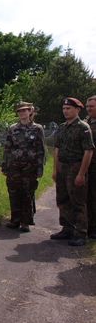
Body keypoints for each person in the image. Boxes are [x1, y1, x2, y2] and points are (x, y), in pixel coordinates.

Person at [51, 97, 94, 246]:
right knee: (62, 199)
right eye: (64, 108)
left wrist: (82, 173)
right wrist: (55, 169)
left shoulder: (83, 127)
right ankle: (67, 228)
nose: (65, 111)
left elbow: (88, 151)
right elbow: (56, 149)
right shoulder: (62, 127)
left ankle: (81, 233)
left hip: (76, 167)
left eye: (68, 108)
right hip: (62, 167)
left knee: (78, 201)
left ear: (77, 110)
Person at [1, 102, 45, 232]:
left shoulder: (37, 129)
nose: (22, 113)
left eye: (25, 111)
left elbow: (41, 149)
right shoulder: (13, 128)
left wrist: (40, 167)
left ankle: (25, 222)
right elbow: (7, 148)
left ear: (30, 112)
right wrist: (5, 165)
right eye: (20, 111)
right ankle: (15, 220)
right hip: (14, 167)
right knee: (14, 192)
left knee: (27, 193)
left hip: (30, 167)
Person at [86, 95, 96, 239]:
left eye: (91, 107)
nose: (88, 109)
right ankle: (88, 226)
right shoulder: (86, 122)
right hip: (86, 166)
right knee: (87, 197)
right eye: (87, 107)